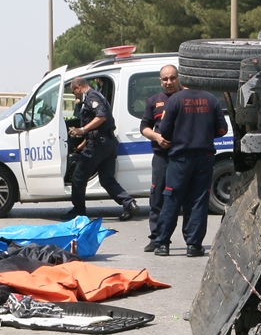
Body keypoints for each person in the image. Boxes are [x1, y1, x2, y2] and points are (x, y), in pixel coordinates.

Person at [151, 86, 228, 257]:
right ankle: (194, 245)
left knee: (172, 198)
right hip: (204, 156)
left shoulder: (175, 100)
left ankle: (162, 243)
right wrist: (204, 133)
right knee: (199, 200)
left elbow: (164, 129)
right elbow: (222, 129)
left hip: (180, 158)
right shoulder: (211, 99)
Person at [63, 76, 137, 221]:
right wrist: (82, 144)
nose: (75, 95)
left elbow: (101, 117)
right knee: (107, 179)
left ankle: (78, 211)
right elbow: (98, 126)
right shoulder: (95, 96)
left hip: (98, 145)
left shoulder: (92, 97)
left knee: (78, 177)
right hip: (106, 143)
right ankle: (129, 204)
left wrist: (82, 129)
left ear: (78, 87)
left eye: (74, 92)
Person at [139, 64, 182, 252]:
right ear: (160, 81)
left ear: (178, 78)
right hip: (161, 156)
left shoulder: (185, 99)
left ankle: (192, 242)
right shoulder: (154, 100)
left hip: (182, 156)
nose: (169, 82)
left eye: (172, 78)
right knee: (157, 198)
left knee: (184, 199)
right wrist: (157, 137)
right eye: (165, 79)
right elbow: (144, 127)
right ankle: (156, 238)